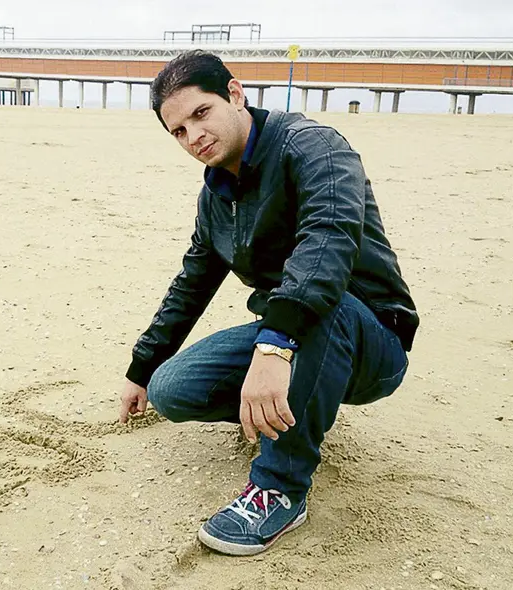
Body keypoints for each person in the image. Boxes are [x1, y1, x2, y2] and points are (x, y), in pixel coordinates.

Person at [118, 50, 419, 557]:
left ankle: (280, 488)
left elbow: (327, 241)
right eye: (179, 132)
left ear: (234, 94)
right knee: (173, 390)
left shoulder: (314, 147)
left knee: (326, 304)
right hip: (291, 330)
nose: (194, 138)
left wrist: (275, 347)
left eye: (200, 114)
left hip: (369, 338)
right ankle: (284, 409)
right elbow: (193, 280)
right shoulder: (216, 192)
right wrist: (143, 366)